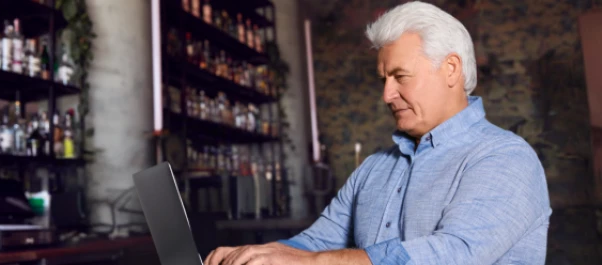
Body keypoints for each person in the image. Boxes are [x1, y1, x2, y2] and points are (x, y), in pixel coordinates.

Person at [204, 1, 552, 265]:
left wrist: (312, 263)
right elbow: (316, 242)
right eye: (383, 80)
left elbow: (452, 253)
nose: (387, 95)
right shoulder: (375, 167)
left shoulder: (505, 157)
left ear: (450, 70)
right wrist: (252, 255)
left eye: (401, 77)